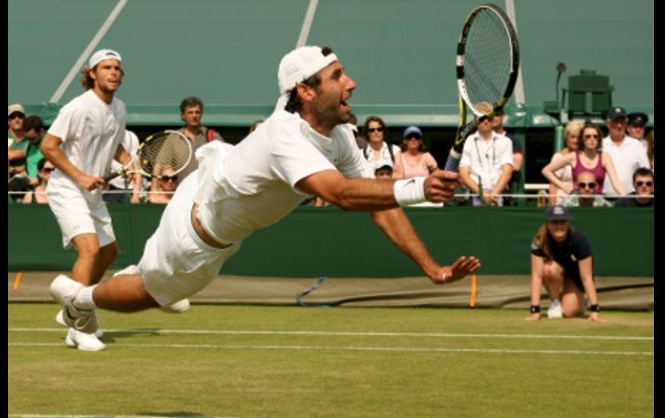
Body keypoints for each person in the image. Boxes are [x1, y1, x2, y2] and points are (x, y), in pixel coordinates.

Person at [49, 45, 481, 351]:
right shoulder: (284, 135)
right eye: (337, 77)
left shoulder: (340, 137)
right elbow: (341, 195)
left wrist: (432, 269)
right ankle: (78, 300)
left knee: (147, 272)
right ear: (306, 92)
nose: (351, 83)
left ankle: (133, 275)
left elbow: (378, 204)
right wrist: (418, 187)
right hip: (194, 236)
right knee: (150, 293)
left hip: (206, 189)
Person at [40, 48, 135, 347]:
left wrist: (129, 163)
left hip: (93, 192)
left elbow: (115, 145)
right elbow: (48, 146)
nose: (113, 72)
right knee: (91, 250)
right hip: (67, 187)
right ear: (92, 73)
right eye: (106, 67)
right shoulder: (77, 108)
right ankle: (79, 327)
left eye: (117, 68)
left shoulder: (119, 108)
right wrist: (80, 176)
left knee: (109, 254)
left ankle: (76, 311)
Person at [526, 206, 601, 322]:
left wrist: (595, 310)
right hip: (555, 274)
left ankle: (582, 301)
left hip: (575, 278)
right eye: (554, 222)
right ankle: (555, 302)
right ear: (547, 223)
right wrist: (535, 311)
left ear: (568, 223)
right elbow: (536, 277)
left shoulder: (579, 241)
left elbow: (587, 278)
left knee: (568, 313)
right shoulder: (539, 240)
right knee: (548, 269)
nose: (559, 226)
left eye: (563, 221)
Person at [541, 122, 626, 199]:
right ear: (582, 139)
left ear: (599, 139)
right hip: (576, 203)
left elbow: (616, 183)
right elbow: (546, 170)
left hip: (597, 204)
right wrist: (562, 185)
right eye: (588, 136)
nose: (592, 139)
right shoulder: (572, 157)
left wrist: (627, 199)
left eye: (595, 136)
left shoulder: (605, 156)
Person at [174, 96, 225, 184]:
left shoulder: (213, 136)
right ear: (183, 115)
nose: (194, 116)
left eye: (197, 112)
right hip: (182, 192)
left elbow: (226, 162)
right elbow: (159, 166)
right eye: (190, 112)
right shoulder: (174, 138)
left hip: (206, 191)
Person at [601, 106, 649, 199]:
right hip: (605, 197)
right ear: (608, 124)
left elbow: (645, 172)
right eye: (615, 122)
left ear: (626, 124)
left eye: (622, 122)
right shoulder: (601, 145)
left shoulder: (636, 145)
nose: (619, 125)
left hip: (631, 197)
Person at [547, 120, 583, 205]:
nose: (576, 140)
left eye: (579, 137)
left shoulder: (587, 156)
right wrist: (553, 207)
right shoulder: (559, 157)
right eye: (573, 137)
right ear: (566, 137)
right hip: (563, 203)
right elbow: (553, 186)